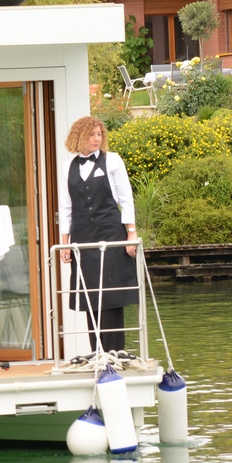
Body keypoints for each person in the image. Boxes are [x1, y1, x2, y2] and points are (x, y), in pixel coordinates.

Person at [57, 116, 138, 353]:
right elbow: (66, 206)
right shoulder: (67, 166)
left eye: (99, 134)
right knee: (91, 296)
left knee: (112, 296)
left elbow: (126, 199)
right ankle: (97, 354)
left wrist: (131, 234)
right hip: (83, 238)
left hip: (112, 233)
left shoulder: (112, 160)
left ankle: (116, 353)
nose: (96, 139)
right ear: (79, 137)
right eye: (91, 134)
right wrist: (65, 243)